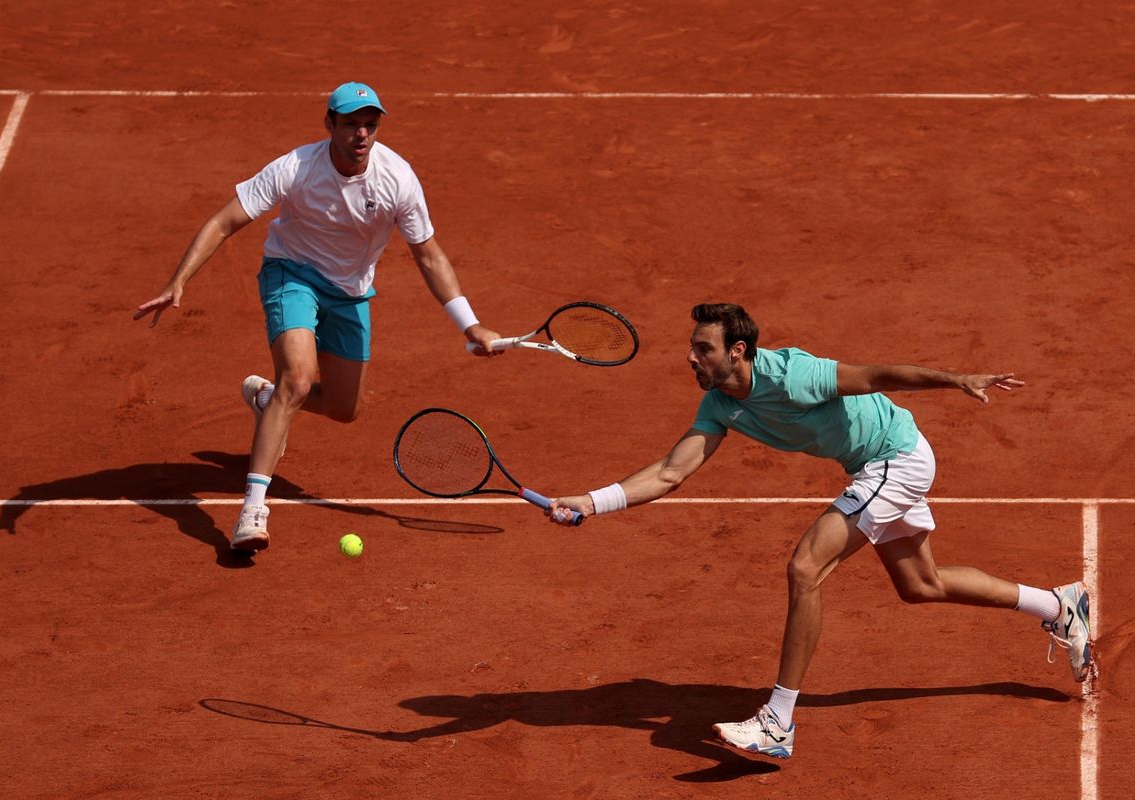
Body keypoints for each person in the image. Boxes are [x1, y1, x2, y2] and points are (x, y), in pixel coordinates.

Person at [546, 302, 1093, 760]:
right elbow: (671, 472)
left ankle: (778, 722)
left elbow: (874, 377)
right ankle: (1058, 606)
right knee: (921, 585)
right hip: (874, 466)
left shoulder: (794, 376)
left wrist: (957, 379)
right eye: (693, 347)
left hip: (894, 457)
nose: (691, 356)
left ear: (737, 351)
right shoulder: (718, 404)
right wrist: (593, 502)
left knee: (806, 566)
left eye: (703, 348)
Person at [135, 81, 500, 554]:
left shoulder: (398, 179)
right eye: (350, 124)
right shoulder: (295, 169)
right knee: (300, 378)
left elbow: (428, 254)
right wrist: (178, 280)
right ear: (330, 125)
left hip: (350, 293)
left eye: (370, 124)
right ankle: (252, 509)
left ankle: (269, 400)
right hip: (293, 274)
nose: (361, 134)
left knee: (344, 408)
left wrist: (468, 324)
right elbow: (225, 220)